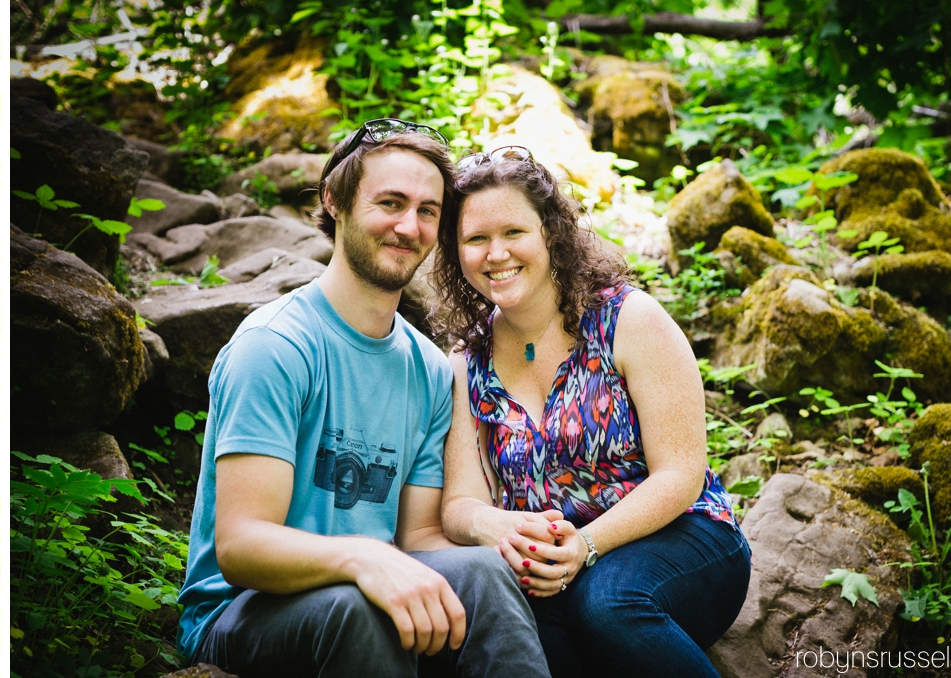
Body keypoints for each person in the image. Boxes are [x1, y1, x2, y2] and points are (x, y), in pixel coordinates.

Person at [176, 119, 550, 678]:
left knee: (484, 571)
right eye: (391, 203)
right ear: (336, 200)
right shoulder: (275, 347)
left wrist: (501, 539)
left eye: (427, 211)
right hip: (241, 611)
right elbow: (240, 545)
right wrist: (365, 558)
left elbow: (418, 537)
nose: (409, 226)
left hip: (368, 589)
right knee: (358, 608)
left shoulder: (426, 369)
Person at [431, 146, 751, 678]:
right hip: (554, 570)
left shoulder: (628, 319)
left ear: (550, 234)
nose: (496, 253)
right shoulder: (467, 362)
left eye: (513, 232)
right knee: (525, 640)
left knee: (606, 604)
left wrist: (586, 544)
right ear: (457, 252)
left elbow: (681, 474)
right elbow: (460, 503)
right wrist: (500, 527)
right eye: (475, 239)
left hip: (681, 539)